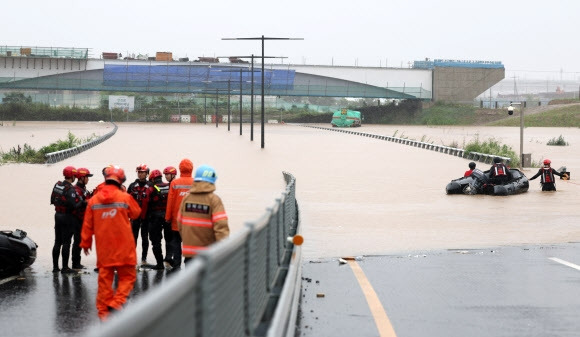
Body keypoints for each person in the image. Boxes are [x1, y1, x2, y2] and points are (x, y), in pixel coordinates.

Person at [80, 165, 141, 321]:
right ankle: (117, 303)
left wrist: (85, 243)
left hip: (104, 249)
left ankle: (103, 314)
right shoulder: (124, 197)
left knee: (104, 282)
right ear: (120, 181)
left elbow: (87, 224)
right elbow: (136, 213)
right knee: (127, 278)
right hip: (124, 247)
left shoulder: (94, 200)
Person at [177, 165, 229, 264]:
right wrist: (223, 251)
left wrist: (188, 240)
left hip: (189, 253)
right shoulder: (214, 200)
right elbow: (221, 227)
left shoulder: (187, 198)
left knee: (190, 279)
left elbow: (180, 223)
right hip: (207, 254)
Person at [50, 166, 81, 274]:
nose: (75, 178)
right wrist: (82, 202)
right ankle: (65, 268)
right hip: (67, 217)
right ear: (72, 176)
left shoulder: (58, 185)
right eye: (74, 176)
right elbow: (74, 205)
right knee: (66, 242)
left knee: (57, 242)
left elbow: (52, 200)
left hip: (57, 215)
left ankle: (55, 267)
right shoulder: (70, 189)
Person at [165, 159, 194, 270]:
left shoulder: (175, 183)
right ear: (191, 168)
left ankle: (177, 265)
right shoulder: (196, 182)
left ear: (180, 169)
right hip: (191, 221)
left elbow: (170, 202)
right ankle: (189, 265)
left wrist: (167, 217)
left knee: (176, 243)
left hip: (176, 221)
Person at [127, 164, 153, 265]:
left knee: (145, 238)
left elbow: (156, 196)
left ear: (147, 174)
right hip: (135, 217)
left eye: (142, 172)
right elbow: (127, 200)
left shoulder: (151, 185)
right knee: (133, 238)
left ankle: (144, 259)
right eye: (139, 172)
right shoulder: (132, 186)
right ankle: (131, 259)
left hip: (146, 217)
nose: (140, 174)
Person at [144, 169, 169, 270]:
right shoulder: (169, 186)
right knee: (170, 240)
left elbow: (146, 202)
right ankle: (171, 260)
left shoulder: (151, 188)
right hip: (167, 217)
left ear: (152, 179)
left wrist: (143, 217)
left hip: (154, 218)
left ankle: (160, 264)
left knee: (155, 241)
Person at [71, 167, 93, 270]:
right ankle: (75, 264)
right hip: (76, 219)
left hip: (82, 219)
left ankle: (77, 263)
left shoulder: (83, 189)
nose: (88, 179)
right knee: (77, 241)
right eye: (87, 177)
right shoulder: (76, 190)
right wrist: (86, 202)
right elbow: (76, 205)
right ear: (81, 178)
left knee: (79, 241)